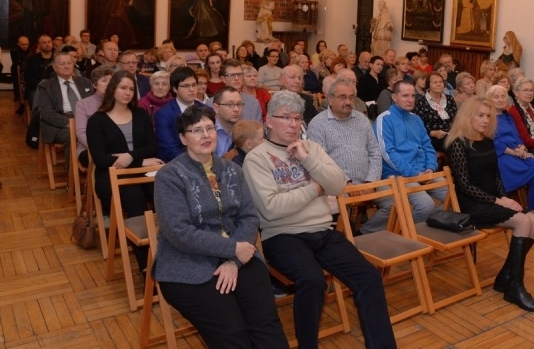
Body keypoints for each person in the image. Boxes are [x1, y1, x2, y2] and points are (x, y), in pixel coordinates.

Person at [244, 91, 397, 349]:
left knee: (369, 277)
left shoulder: (312, 149)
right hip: (282, 236)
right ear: (268, 121)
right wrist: (315, 189)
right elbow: (271, 209)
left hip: (323, 232)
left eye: (297, 118)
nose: (293, 124)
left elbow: (337, 185)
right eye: (285, 118)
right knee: (312, 280)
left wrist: (306, 159)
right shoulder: (257, 158)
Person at [153, 106, 288, 348]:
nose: (205, 135)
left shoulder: (231, 169)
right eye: (196, 130)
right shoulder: (169, 176)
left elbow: (249, 217)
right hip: (188, 266)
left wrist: (234, 260)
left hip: (240, 258)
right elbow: (179, 233)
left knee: (267, 328)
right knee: (232, 335)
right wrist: (232, 249)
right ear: (183, 138)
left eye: (209, 128)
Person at [445, 96, 534, 312]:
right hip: (471, 206)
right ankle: (515, 288)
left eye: (488, 116)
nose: (484, 120)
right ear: (468, 116)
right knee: (523, 223)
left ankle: (504, 278)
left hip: (493, 201)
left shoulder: (488, 141)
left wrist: (507, 200)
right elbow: (464, 186)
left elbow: (497, 178)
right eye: (480, 115)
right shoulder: (458, 144)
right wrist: (500, 201)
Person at [87, 71, 163, 268]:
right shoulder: (97, 120)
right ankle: (146, 265)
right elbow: (102, 159)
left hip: (141, 173)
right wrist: (140, 161)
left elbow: (152, 146)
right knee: (135, 198)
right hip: (111, 177)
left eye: (131, 89)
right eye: (123, 88)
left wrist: (131, 157)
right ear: (112, 89)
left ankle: (168, 250)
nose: (128, 93)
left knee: (162, 192)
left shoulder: (140, 114)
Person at [373, 81, 446, 232]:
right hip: (397, 174)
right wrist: (414, 173)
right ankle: (406, 233)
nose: (410, 99)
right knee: (426, 205)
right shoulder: (384, 119)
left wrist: (431, 168)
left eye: (413, 95)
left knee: (453, 196)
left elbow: (428, 147)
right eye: (405, 96)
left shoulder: (416, 119)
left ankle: (421, 227)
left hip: (423, 172)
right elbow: (388, 153)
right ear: (394, 97)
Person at [487, 85, 534, 217]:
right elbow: (495, 143)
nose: (500, 99)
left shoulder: (507, 115)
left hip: (517, 151)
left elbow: (517, 136)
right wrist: (515, 152)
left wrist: (521, 148)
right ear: (489, 99)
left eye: (503, 96)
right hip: (501, 155)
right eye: (496, 97)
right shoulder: (488, 118)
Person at [308, 79, 381, 187]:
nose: (348, 102)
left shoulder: (362, 119)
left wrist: (371, 182)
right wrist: (346, 182)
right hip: (337, 187)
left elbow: (375, 152)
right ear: (330, 99)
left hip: (369, 184)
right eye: (343, 97)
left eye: (351, 97)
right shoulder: (317, 124)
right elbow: (321, 161)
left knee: (396, 199)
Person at [34, 52, 94, 156]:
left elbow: (94, 105)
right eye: (62, 64)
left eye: (69, 63)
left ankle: (100, 167)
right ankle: (73, 171)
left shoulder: (85, 82)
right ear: (54, 66)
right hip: (60, 124)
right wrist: (71, 123)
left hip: (86, 119)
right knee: (73, 135)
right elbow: (46, 113)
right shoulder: (46, 85)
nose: (66, 66)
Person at [155, 67, 211, 162]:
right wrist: (196, 162)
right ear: (174, 89)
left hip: (206, 161)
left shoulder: (207, 110)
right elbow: (169, 149)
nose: (192, 89)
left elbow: (211, 141)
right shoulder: (163, 114)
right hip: (176, 165)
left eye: (194, 85)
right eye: (185, 86)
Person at [74, 65, 114, 166]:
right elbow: (81, 133)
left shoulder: (119, 102)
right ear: (95, 85)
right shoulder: (82, 104)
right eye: (104, 81)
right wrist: (99, 147)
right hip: (90, 148)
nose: (109, 84)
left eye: (111, 81)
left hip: (116, 147)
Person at [415, 71, 458, 153]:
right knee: (455, 144)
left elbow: (457, 119)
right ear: (428, 85)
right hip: (432, 137)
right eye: (435, 82)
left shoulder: (450, 99)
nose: (438, 84)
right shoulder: (421, 102)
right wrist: (433, 133)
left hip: (451, 135)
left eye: (440, 82)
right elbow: (418, 126)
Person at [212, 86, 245, 158]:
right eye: (230, 105)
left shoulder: (245, 133)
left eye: (239, 104)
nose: (236, 109)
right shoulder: (206, 132)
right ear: (216, 108)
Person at [10, 35, 31, 107]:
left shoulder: (31, 50)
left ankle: (27, 94)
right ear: (18, 43)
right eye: (23, 44)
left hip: (28, 67)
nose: (25, 46)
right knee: (16, 81)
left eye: (26, 44)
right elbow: (16, 61)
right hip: (17, 67)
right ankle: (17, 95)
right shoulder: (14, 49)